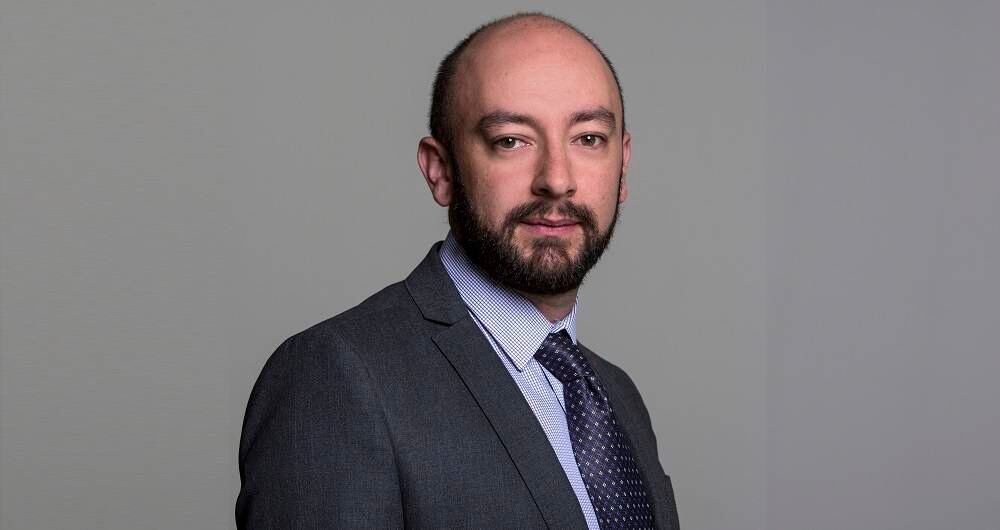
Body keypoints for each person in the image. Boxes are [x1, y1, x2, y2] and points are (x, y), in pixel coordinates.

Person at [236, 12, 679, 530]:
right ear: (440, 170)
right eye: (511, 140)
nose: (557, 180)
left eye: (588, 139)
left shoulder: (616, 397)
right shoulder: (335, 380)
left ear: (622, 166)